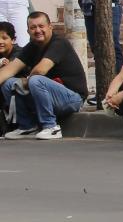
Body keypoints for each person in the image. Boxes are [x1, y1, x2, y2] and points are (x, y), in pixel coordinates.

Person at [0, 11, 88, 139]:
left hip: (72, 98)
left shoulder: (59, 43)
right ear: (28, 31)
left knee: (35, 80)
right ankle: (27, 126)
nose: (37, 30)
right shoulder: (31, 47)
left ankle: (51, 127)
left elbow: (41, 69)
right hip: (47, 97)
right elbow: (10, 70)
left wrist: (25, 81)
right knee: (8, 83)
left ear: (50, 27)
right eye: (33, 27)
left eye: (41, 26)